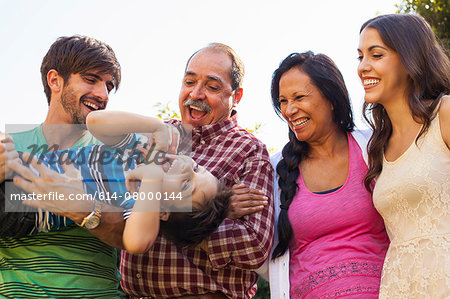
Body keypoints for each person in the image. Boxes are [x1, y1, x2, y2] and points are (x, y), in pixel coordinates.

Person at [120, 43, 274, 299]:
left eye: (212, 87)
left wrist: (194, 220)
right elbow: (119, 202)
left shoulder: (249, 150)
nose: (196, 93)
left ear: (236, 96)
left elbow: (256, 245)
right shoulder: (157, 136)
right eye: (189, 81)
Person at [0, 35, 126, 298]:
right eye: (91, 80)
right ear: (55, 80)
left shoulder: (117, 155)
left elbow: (128, 233)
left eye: (108, 86)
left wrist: (81, 206)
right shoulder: (10, 145)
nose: (102, 94)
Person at [7, 110, 232, 255]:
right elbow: (95, 121)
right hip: (22, 164)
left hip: (25, 207)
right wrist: (156, 126)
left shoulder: (140, 202)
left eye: (185, 185)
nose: (185, 168)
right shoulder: (138, 148)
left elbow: (136, 243)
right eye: (195, 168)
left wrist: (152, 177)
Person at [258, 51, 390, 298]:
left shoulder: (375, 146)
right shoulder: (274, 169)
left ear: (331, 98)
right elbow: (261, 253)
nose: (289, 110)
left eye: (298, 97)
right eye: (283, 101)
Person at [357, 14, 450, 298]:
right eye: (360, 56)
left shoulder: (444, 113)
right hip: (399, 286)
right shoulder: (377, 146)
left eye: (376, 54)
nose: (363, 67)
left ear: (409, 59)